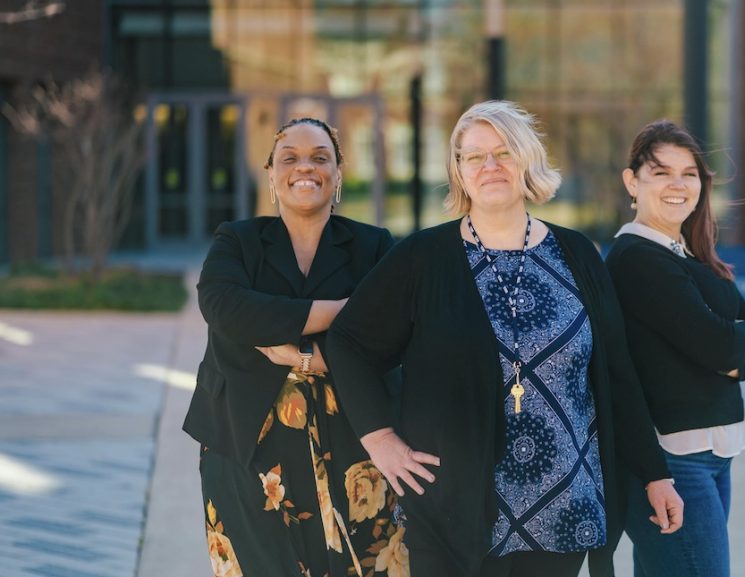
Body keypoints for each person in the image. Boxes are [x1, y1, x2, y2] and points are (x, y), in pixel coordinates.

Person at [325, 101, 682, 577]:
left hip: (564, 507)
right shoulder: (422, 258)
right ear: (459, 171)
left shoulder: (577, 252)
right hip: (454, 504)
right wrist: (380, 438)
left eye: (504, 153)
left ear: (527, 160)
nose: (490, 166)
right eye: (474, 157)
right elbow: (348, 341)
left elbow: (617, 373)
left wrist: (656, 474)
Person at [183, 118, 407, 577]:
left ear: (338, 174)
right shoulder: (238, 241)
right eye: (290, 158)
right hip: (246, 450)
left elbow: (394, 332)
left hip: (356, 450)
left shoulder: (374, 246)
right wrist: (341, 310)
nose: (305, 167)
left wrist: (309, 355)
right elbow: (225, 308)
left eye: (320, 157)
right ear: (271, 174)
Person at [605, 120, 745, 577]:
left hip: (715, 455)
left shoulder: (693, 257)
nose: (678, 185)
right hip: (673, 461)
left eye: (689, 173)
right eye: (661, 172)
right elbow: (725, 346)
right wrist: (731, 347)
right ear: (631, 181)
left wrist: (732, 346)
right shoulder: (636, 258)